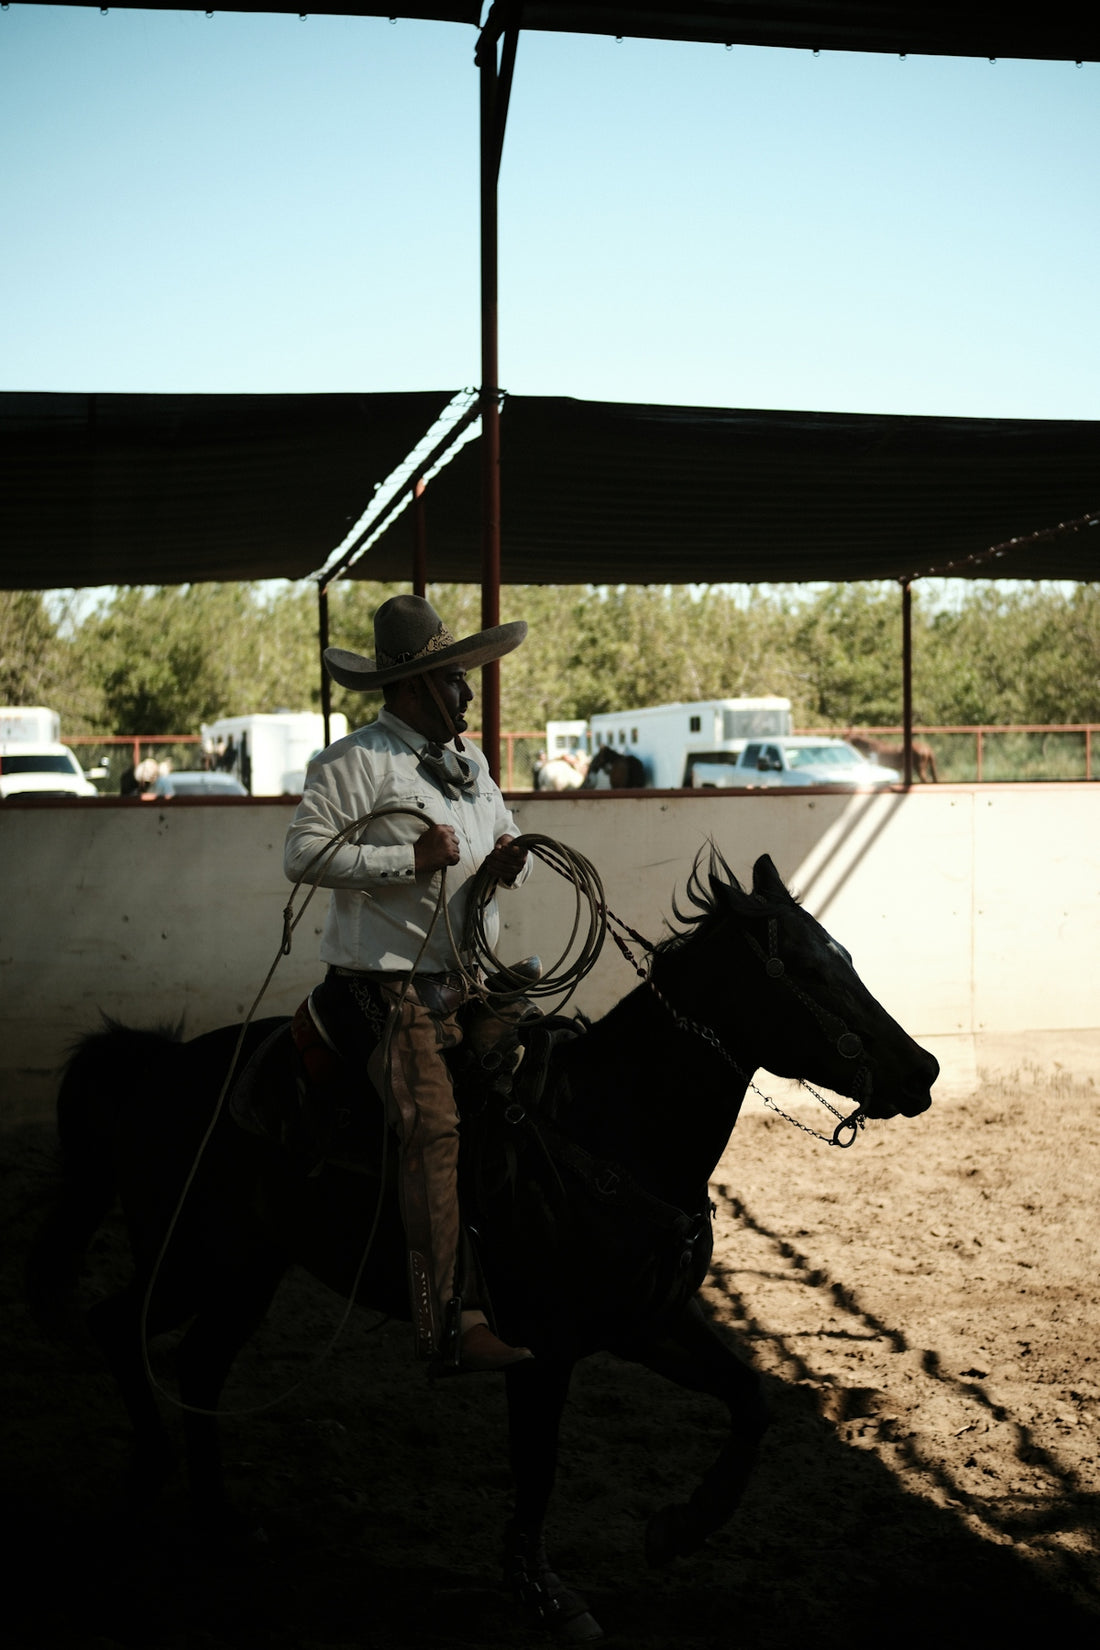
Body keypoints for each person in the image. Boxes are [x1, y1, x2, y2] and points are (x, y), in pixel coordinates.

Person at [284, 595, 534, 1375]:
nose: (466, 692)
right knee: (432, 1130)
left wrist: (507, 860)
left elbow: (506, 833)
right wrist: (409, 862)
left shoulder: (474, 765)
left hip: (469, 981)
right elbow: (302, 856)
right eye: (457, 678)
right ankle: (445, 1323)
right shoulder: (350, 764)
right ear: (419, 685)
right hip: (383, 992)